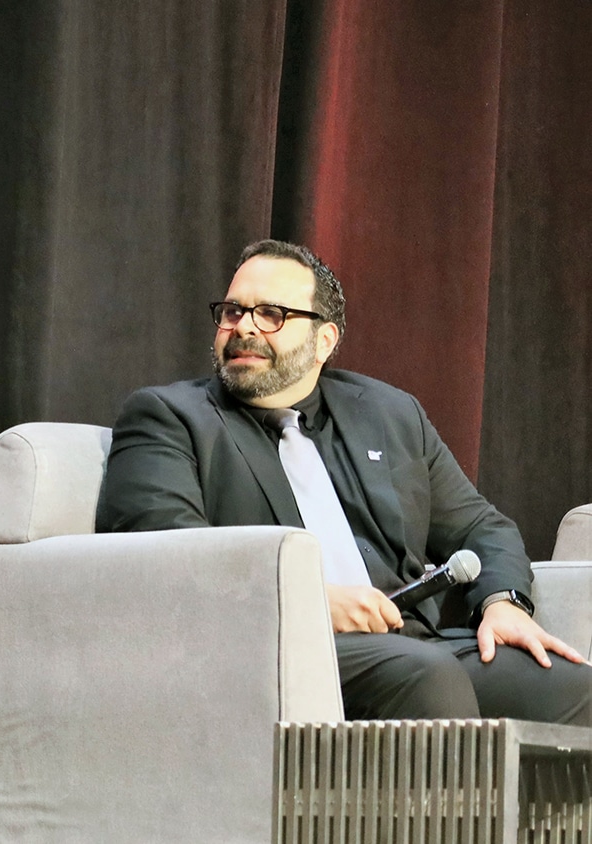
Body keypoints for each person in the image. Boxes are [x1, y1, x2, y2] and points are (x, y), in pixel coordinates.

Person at [97, 238, 591, 725]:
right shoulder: (168, 417)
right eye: (232, 311)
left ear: (324, 340)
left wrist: (504, 604)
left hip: (415, 642)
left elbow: (483, 528)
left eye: (271, 313)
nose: (244, 327)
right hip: (281, 645)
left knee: (577, 691)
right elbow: (163, 557)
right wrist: (309, 598)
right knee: (425, 677)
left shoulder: (388, 413)